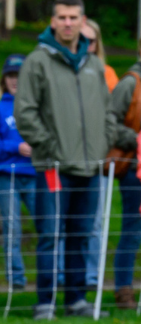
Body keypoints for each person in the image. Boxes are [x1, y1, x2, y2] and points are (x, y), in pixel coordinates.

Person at [16, 0, 126, 319]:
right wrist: (49, 147)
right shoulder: (37, 61)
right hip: (54, 166)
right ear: (53, 21)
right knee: (50, 234)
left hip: (90, 167)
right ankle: (45, 303)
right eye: (62, 17)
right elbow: (25, 113)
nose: (67, 23)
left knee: (81, 234)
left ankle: (76, 300)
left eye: (73, 17)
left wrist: (104, 143)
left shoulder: (93, 64)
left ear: (83, 20)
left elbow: (107, 112)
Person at [0, 54, 37, 291]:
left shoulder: (36, 107)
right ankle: (16, 279)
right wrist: (15, 147)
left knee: (48, 225)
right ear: (4, 80)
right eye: (11, 76)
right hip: (8, 176)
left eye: (20, 76)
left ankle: (55, 277)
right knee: (12, 228)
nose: (15, 81)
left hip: (36, 175)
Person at [107, 39, 141, 310]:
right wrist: (137, 139)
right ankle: (124, 291)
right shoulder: (130, 83)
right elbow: (109, 122)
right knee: (133, 229)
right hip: (134, 168)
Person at [81, 18, 114, 289]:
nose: (86, 45)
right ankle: (63, 277)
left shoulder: (108, 73)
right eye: (82, 39)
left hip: (98, 160)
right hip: (67, 160)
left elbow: (111, 117)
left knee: (95, 222)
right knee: (63, 222)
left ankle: (92, 277)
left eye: (91, 40)